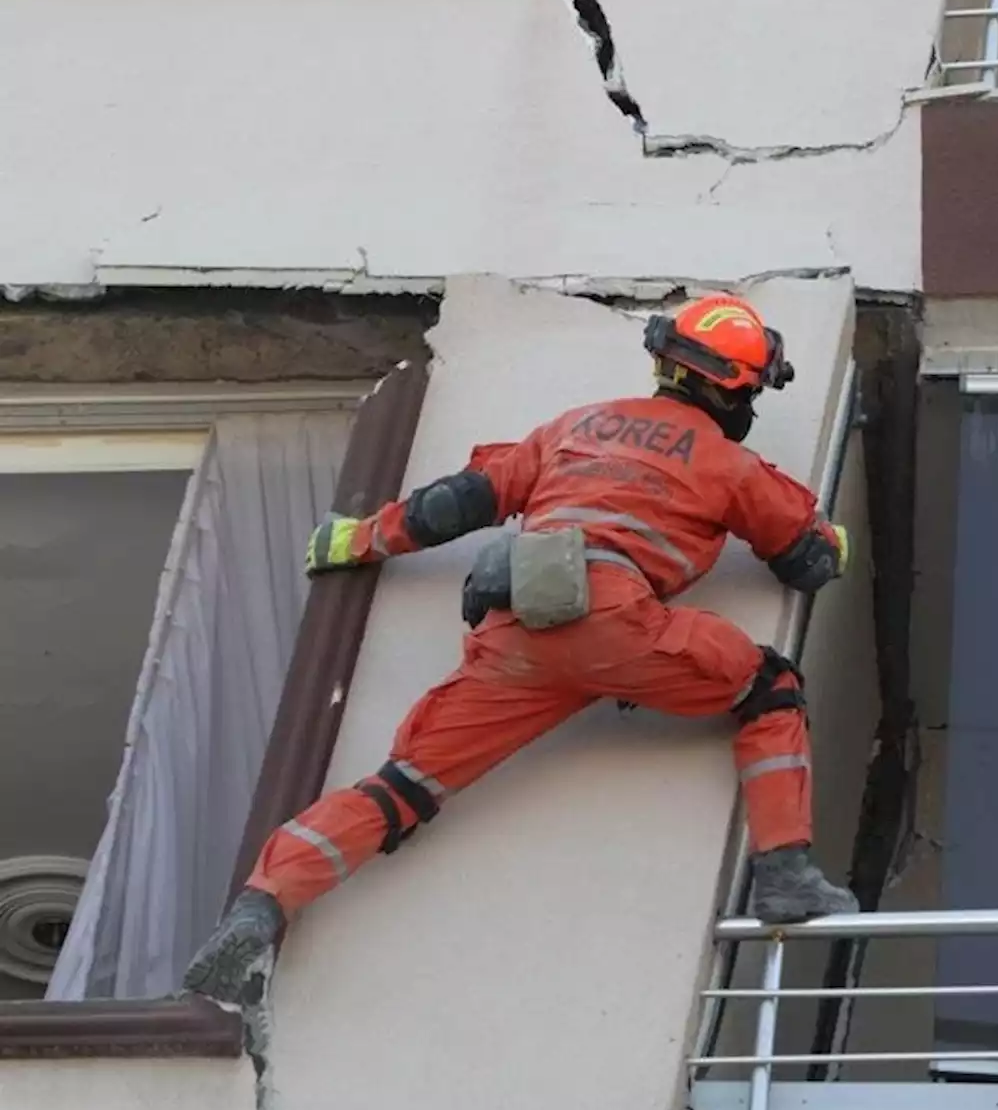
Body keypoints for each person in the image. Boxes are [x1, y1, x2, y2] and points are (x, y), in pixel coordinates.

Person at [184, 293, 858, 1003]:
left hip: (520, 630)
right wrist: (832, 538)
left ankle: (260, 905)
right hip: (623, 627)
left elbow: (454, 503)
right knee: (769, 686)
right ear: (736, 389)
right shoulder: (728, 464)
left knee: (400, 787)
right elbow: (805, 560)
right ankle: (783, 874)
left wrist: (355, 540)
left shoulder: (576, 427)